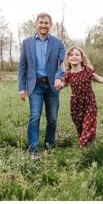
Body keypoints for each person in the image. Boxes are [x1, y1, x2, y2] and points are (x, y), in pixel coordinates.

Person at [17, 13, 66, 158]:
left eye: (46, 23)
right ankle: (33, 150)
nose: (43, 25)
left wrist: (59, 78)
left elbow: (63, 64)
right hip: (35, 85)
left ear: (51, 25)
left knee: (52, 118)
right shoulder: (27, 43)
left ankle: (49, 146)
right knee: (35, 116)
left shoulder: (58, 43)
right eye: (41, 22)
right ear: (36, 24)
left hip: (53, 86)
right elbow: (22, 67)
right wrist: (21, 87)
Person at [62, 46, 103, 148]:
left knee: (88, 123)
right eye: (71, 55)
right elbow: (62, 84)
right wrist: (58, 86)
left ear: (82, 58)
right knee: (79, 126)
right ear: (68, 59)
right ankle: (89, 144)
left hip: (89, 101)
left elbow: (98, 79)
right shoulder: (68, 74)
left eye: (77, 55)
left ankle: (82, 144)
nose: (74, 57)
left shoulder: (87, 71)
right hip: (75, 103)